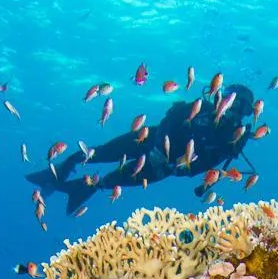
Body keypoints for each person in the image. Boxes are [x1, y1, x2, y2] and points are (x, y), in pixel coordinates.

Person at [27, 84, 256, 215]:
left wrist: (171, 166)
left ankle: (69, 189)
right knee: (99, 152)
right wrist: (158, 144)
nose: (231, 107)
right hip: (148, 138)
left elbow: (202, 167)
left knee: (107, 182)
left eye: (239, 106)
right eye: (228, 98)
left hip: (162, 167)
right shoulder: (203, 107)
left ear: (246, 112)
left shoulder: (232, 140)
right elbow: (171, 116)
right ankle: (58, 172)